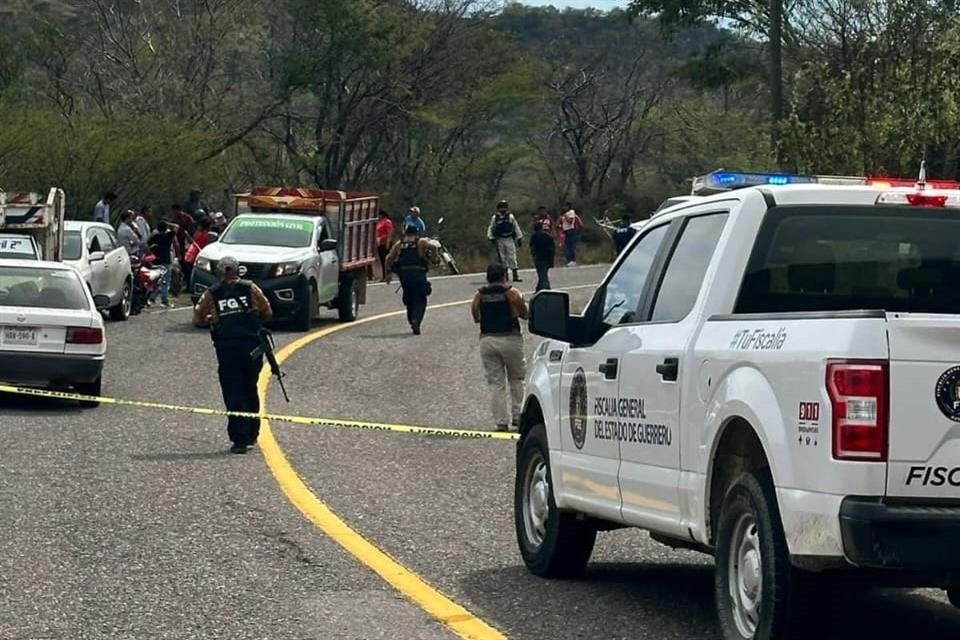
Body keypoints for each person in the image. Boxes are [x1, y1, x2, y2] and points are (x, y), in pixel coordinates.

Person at [192, 256, 273, 454]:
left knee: (233, 392)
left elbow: (197, 318)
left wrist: (214, 319)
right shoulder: (251, 288)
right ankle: (252, 434)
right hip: (252, 348)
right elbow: (267, 311)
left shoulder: (212, 294)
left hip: (227, 350)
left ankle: (239, 439)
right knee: (250, 388)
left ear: (220, 273)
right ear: (238, 271)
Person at [471, 264, 529, 431]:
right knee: (517, 379)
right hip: (510, 337)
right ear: (505, 276)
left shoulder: (480, 295)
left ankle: (501, 421)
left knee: (496, 383)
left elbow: (475, 317)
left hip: (487, 339)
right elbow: (524, 313)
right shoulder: (512, 293)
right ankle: (518, 416)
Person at [385, 223, 439, 335]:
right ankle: (416, 320)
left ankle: (411, 319)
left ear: (405, 232)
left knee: (409, 299)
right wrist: (435, 259)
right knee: (421, 299)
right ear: (416, 232)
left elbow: (388, 258)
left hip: (404, 276)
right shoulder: (421, 242)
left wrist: (388, 273)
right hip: (418, 274)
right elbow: (434, 247)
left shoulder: (399, 244)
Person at [487, 200, 524, 282]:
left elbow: (516, 227)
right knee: (502, 259)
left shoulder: (510, 217)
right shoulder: (495, 218)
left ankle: (515, 275)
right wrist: (491, 237)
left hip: (509, 239)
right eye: (501, 207)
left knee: (512, 257)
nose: (502, 209)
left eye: (504, 207)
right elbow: (491, 227)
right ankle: (504, 275)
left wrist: (519, 237)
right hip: (499, 240)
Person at [148, 220, 179, 308]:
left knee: (157, 281)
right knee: (165, 281)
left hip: (156, 260)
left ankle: (152, 297)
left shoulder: (155, 236)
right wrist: (169, 223)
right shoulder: (168, 235)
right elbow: (177, 227)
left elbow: (148, 243)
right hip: (166, 260)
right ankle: (164, 300)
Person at [183, 217, 212, 289]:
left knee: (190, 273)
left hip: (193, 256)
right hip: (195, 256)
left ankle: (189, 286)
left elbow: (192, 241)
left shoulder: (199, 233)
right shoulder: (206, 235)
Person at [530, 221, 556, 291]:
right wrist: (552, 259)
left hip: (539, 258)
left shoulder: (534, 236)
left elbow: (532, 248)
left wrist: (533, 257)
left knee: (542, 275)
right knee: (543, 274)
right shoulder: (549, 236)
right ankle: (540, 288)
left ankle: (546, 288)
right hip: (548, 258)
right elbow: (552, 249)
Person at [558, 201, 583, 266]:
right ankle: (569, 260)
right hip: (566, 231)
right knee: (567, 246)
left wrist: (565, 215)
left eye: (565, 206)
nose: (564, 207)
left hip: (570, 230)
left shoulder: (571, 212)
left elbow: (570, 221)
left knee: (571, 246)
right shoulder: (565, 213)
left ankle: (573, 260)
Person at [375, 209, 394, 282]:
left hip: (385, 243)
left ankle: (388, 275)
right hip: (380, 244)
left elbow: (389, 233)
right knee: (382, 260)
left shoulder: (387, 222)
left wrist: (387, 244)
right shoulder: (379, 223)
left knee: (386, 260)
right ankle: (384, 275)